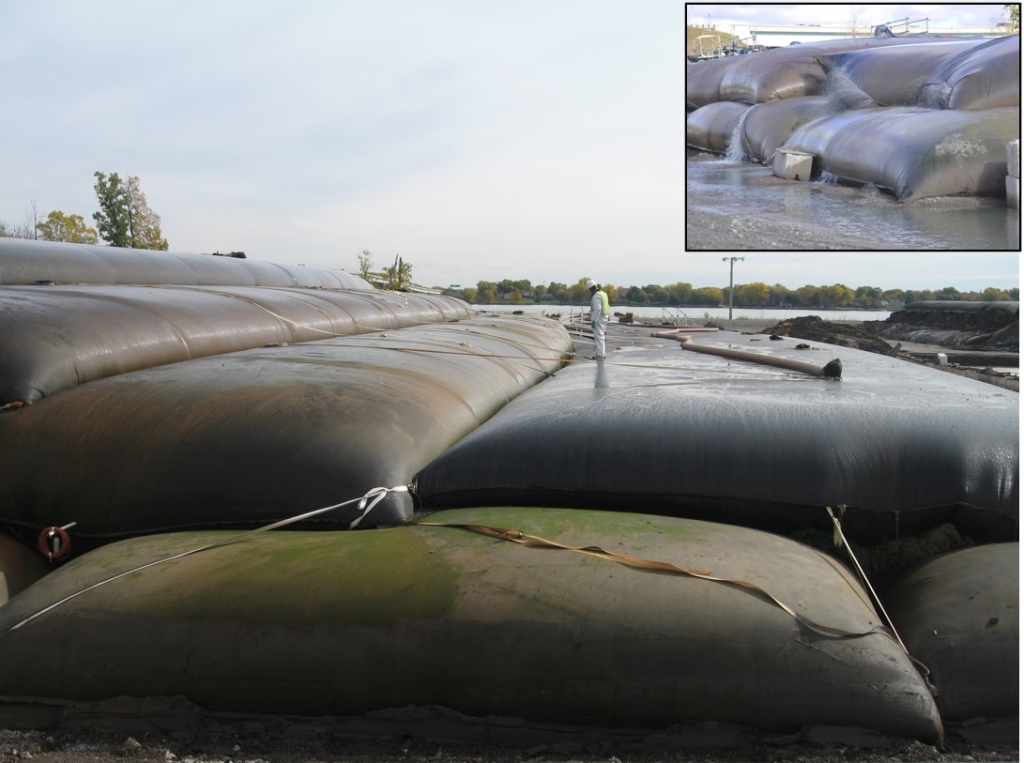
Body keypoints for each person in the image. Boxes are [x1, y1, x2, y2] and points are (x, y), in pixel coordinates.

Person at [587, 279, 610, 359]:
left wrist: (594, 320)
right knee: (601, 335)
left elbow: (597, 309)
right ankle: (602, 353)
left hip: (599, 317)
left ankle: (600, 354)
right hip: (605, 316)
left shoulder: (596, 296)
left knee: (598, 336)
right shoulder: (603, 294)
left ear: (590, 289)